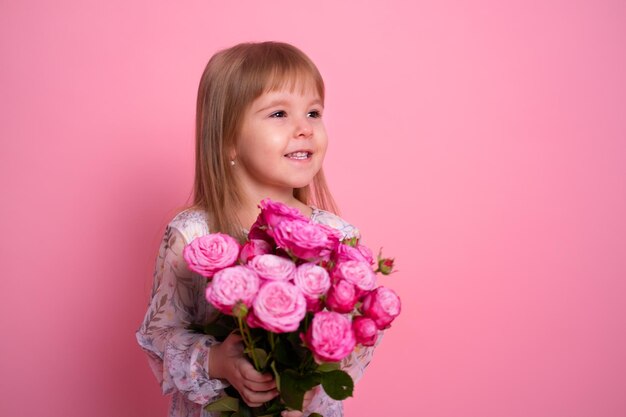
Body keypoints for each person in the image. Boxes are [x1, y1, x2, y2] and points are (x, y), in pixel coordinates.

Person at [136, 41, 377, 417]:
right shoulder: (193, 234)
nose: (304, 129)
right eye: (279, 113)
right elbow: (160, 334)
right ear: (229, 139)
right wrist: (216, 360)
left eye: (313, 113)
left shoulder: (336, 236)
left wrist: (310, 386)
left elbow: (353, 341)